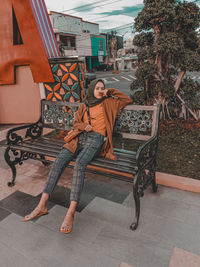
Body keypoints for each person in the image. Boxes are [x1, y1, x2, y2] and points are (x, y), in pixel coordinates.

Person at [23, 79, 132, 234]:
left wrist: (111, 91)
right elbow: (76, 124)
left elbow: (127, 99)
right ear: (92, 90)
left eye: (102, 88)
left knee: (79, 164)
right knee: (59, 161)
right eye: (98, 88)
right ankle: (42, 204)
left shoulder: (109, 103)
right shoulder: (84, 105)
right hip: (78, 138)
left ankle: (71, 212)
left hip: (96, 140)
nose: (100, 90)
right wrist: (83, 126)